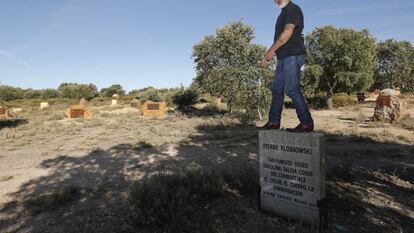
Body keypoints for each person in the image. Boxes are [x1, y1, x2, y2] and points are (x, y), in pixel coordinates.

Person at [260, 0, 314, 133]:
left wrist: (269, 52)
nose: (276, 1)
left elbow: (286, 34)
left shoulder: (293, 9)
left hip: (293, 55)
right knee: (277, 89)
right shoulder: (284, 12)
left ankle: (306, 123)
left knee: (292, 89)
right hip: (283, 57)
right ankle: (273, 122)